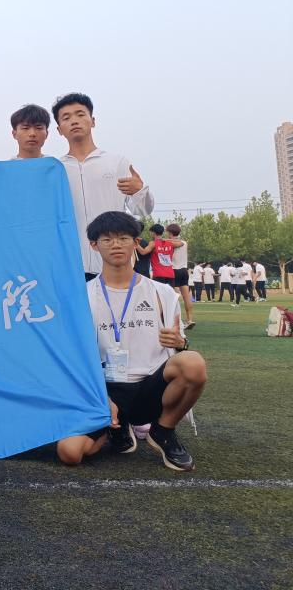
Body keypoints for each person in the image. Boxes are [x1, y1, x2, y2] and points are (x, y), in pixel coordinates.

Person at [55, 211, 206, 472]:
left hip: (150, 387)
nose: (116, 245)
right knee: (69, 452)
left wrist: (181, 343)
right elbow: (72, 357)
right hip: (103, 389)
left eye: (123, 238)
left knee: (193, 363)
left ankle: (163, 430)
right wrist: (102, 398)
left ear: (136, 243)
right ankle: (114, 428)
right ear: (94, 245)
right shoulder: (81, 297)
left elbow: (180, 344)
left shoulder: (161, 293)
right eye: (107, 240)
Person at [52, 93, 154, 280]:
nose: (74, 121)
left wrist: (139, 190)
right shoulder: (56, 169)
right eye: (66, 118)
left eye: (80, 114)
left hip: (113, 264)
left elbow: (142, 210)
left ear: (93, 121)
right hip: (70, 266)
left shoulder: (116, 162)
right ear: (59, 129)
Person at [166, 224, 194, 329]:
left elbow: (175, 244)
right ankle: (189, 320)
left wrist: (160, 240)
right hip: (184, 271)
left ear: (170, 232)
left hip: (174, 270)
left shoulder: (171, 243)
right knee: (187, 297)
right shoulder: (184, 242)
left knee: (174, 297)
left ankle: (177, 320)